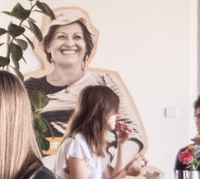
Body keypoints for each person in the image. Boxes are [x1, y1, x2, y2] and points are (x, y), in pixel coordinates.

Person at [22, 9, 147, 159]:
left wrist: (110, 166)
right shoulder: (30, 88)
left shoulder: (105, 82)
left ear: (87, 46)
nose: (70, 43)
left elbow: (133, 134)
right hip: (49, 169)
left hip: (100, 167)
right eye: (61, 37)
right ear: (48, 46)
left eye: (77, 37)